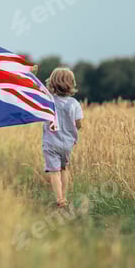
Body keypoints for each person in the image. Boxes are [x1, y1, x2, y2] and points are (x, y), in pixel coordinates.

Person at [42, 67, 83, 208]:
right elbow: (78, 123)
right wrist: (75, 127)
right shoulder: (74, 104)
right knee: (64, 168)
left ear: (52, 83)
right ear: (71, 84)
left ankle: (60, 200)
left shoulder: (47, 100)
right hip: (67, 143)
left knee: (54, 171)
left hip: (51, 143)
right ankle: (64, 197)